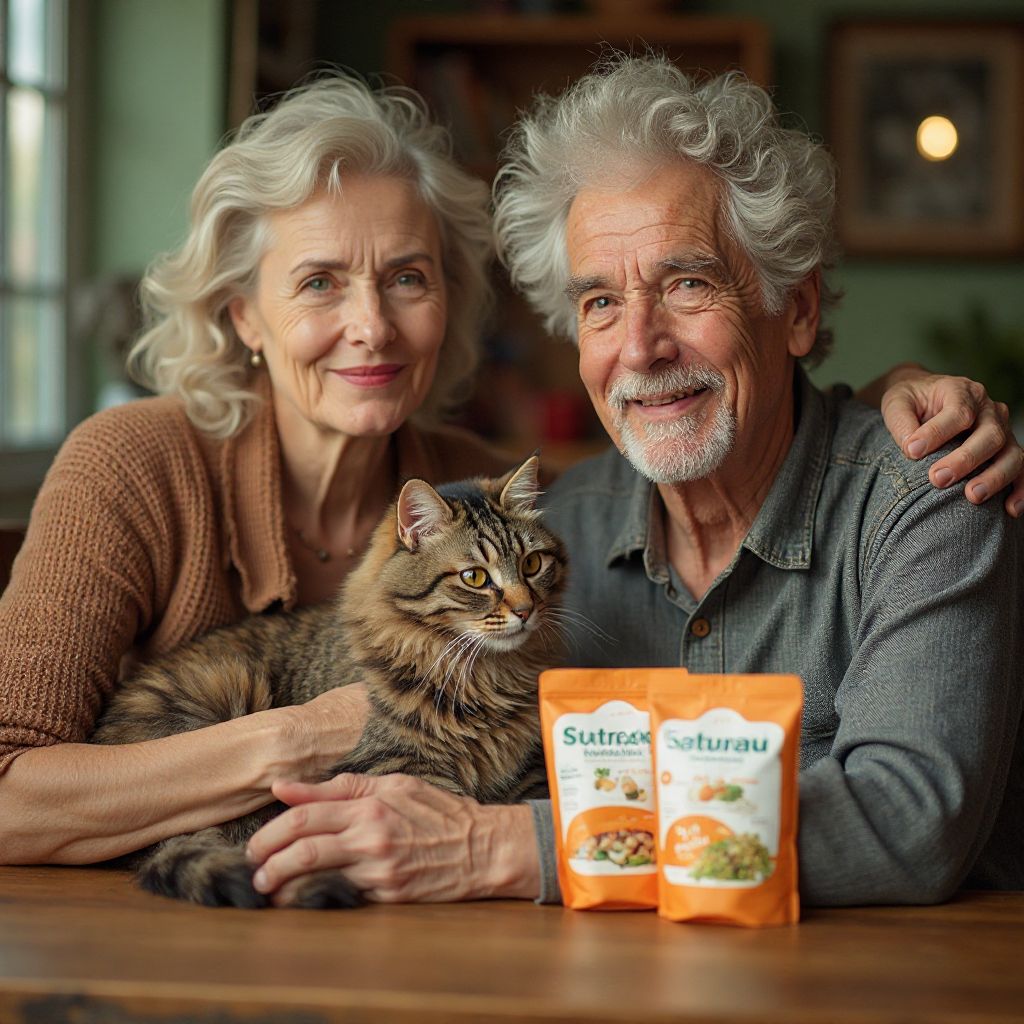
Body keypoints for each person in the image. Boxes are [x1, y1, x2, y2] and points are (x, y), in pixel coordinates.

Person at [0, 69, 1016, 893]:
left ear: (796, 309)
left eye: (688, 282)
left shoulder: (518, 506)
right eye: (600, 302)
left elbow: (913, 816)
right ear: (242, 315)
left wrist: (886, 408)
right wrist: (310, 734)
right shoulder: (565, 513)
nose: (641, 346)